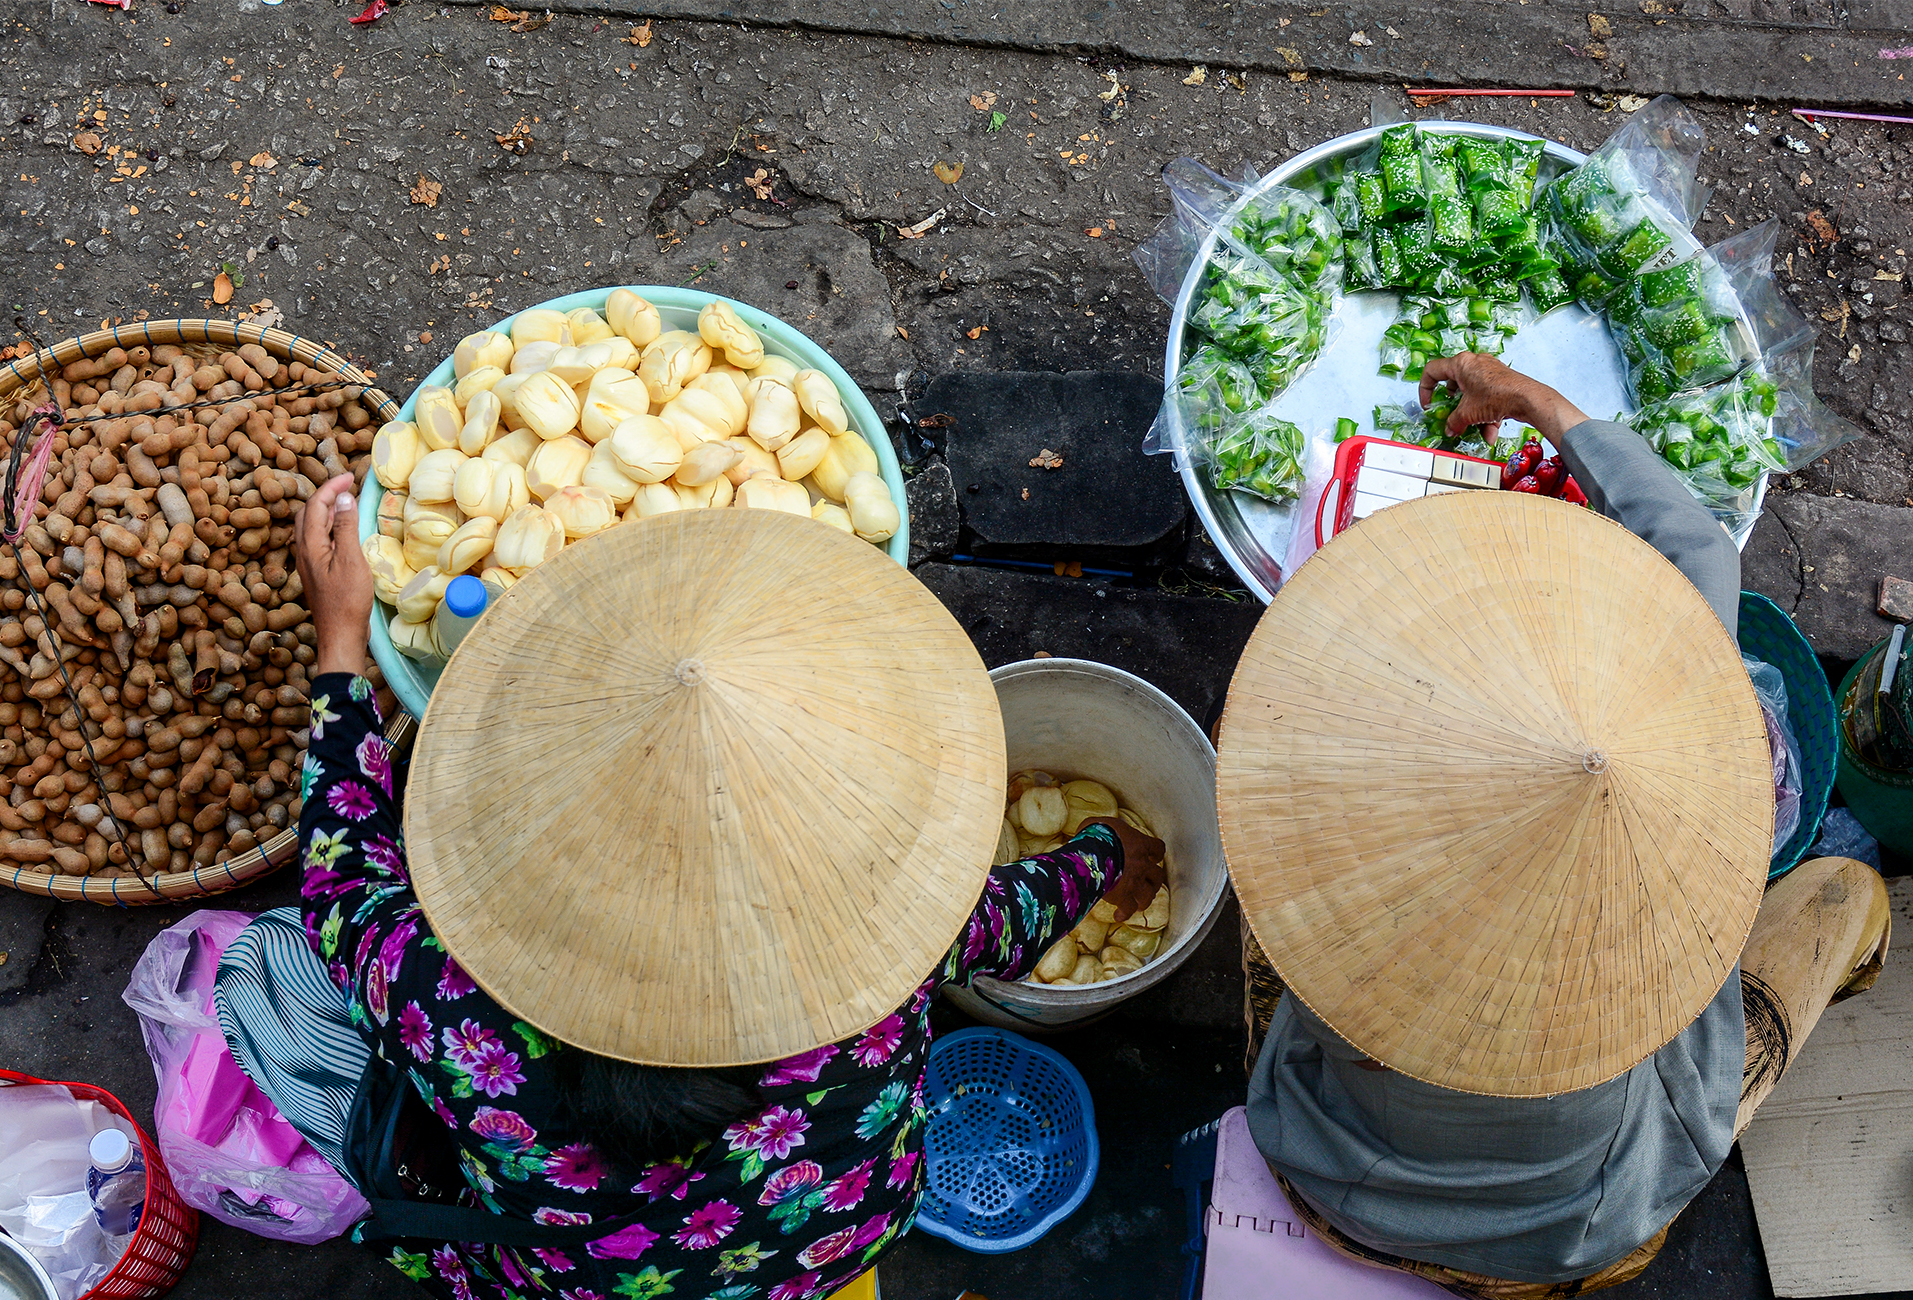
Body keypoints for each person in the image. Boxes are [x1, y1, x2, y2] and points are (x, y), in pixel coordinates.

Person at [214, 480, 1167, 1300]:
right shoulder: (891, 938)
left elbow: (341, 876)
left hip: (571, 1281)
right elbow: (1024, 908)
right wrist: (1105, 850)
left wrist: (341, 645)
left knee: (260, 966)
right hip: (838, 1244)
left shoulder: (448, 1007)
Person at [1223, 353, 1892, 1299]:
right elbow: (1698, 549)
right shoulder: (1685, 832)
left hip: (1333, 1171)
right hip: (1581, 1224)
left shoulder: (1342, 857)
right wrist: (1541, 401)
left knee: (1261, 890)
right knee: (1846, 891)